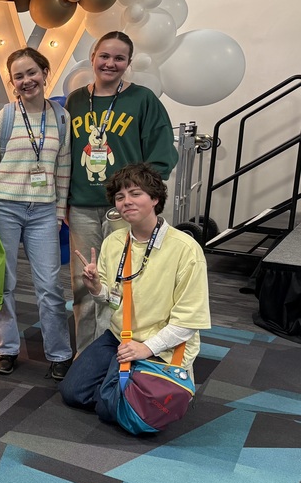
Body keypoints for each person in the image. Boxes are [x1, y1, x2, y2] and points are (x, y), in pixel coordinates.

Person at [59, 163, 210, 425]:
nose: (126, 202)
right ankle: (122, 385)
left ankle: (165, 383)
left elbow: (188, 322)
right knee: (72, 392)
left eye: (135, 194)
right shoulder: (115, 242)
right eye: (120, 197)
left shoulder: (186, 249)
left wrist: (146, 348)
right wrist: (97, 288)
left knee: (112, 409)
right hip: (120, 336)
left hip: (163, 344)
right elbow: (112, 300)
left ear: (155, 199)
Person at [65, 31, 177, 354]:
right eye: (104, 56)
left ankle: (117, 353)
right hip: (84, 207)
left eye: (119, 58)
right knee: (84, 285)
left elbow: (161, 154)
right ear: (93, 57)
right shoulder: (75, 101)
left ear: (128, 63)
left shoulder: (142, 100)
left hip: (124, 209)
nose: (110, 63)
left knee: (124, 282)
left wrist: (143, 199)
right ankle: (86, 357)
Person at [0, 48, 73, 379]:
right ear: (12, 82)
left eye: (31, 72)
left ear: (45, 72)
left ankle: (60, 353)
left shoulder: (62, 117)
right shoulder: (6, 116)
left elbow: (63, 167)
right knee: (2, 282)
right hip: (3, 207)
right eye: (18, 76)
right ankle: (6, 349)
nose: (26, 81)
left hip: (44, 212)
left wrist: (59, 212)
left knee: (50, 285)